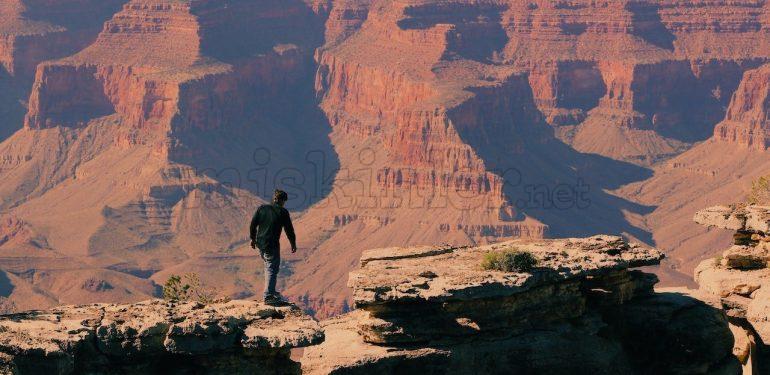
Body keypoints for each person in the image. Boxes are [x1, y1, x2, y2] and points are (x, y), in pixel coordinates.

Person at [249, 189, 297, 305]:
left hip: (261, 243)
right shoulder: (283, 212)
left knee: (270, 267)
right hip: (272, 244)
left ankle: (271, 291)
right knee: (271, 268)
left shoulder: (262, 208)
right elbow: (289, 230)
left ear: (274, 198)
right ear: (283, 201)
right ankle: (268, 296)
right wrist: (293, 243)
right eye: (283, 201)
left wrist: (253, 239)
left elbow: (253, 224)